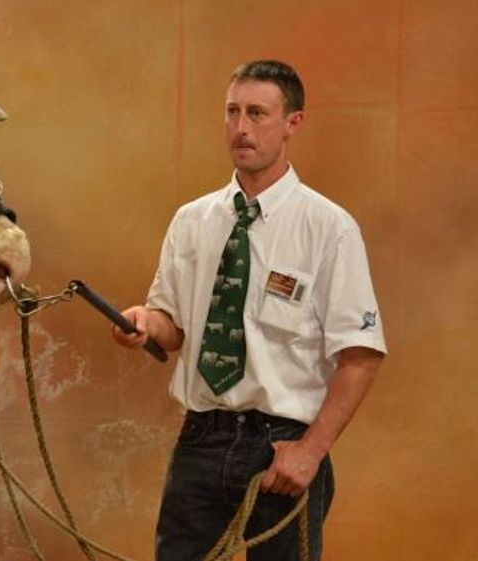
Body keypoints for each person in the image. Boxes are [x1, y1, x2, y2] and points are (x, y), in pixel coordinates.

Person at [112, 60, 387, 561]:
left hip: (282, 448)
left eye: (258, 113)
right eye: (232, 112)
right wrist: (143, 323)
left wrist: (311, 451)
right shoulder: (192, 221)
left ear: (292, 123)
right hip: (200, 439)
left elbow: (361, 356)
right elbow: (171, 328)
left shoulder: (328, 228)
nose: (241, 128)